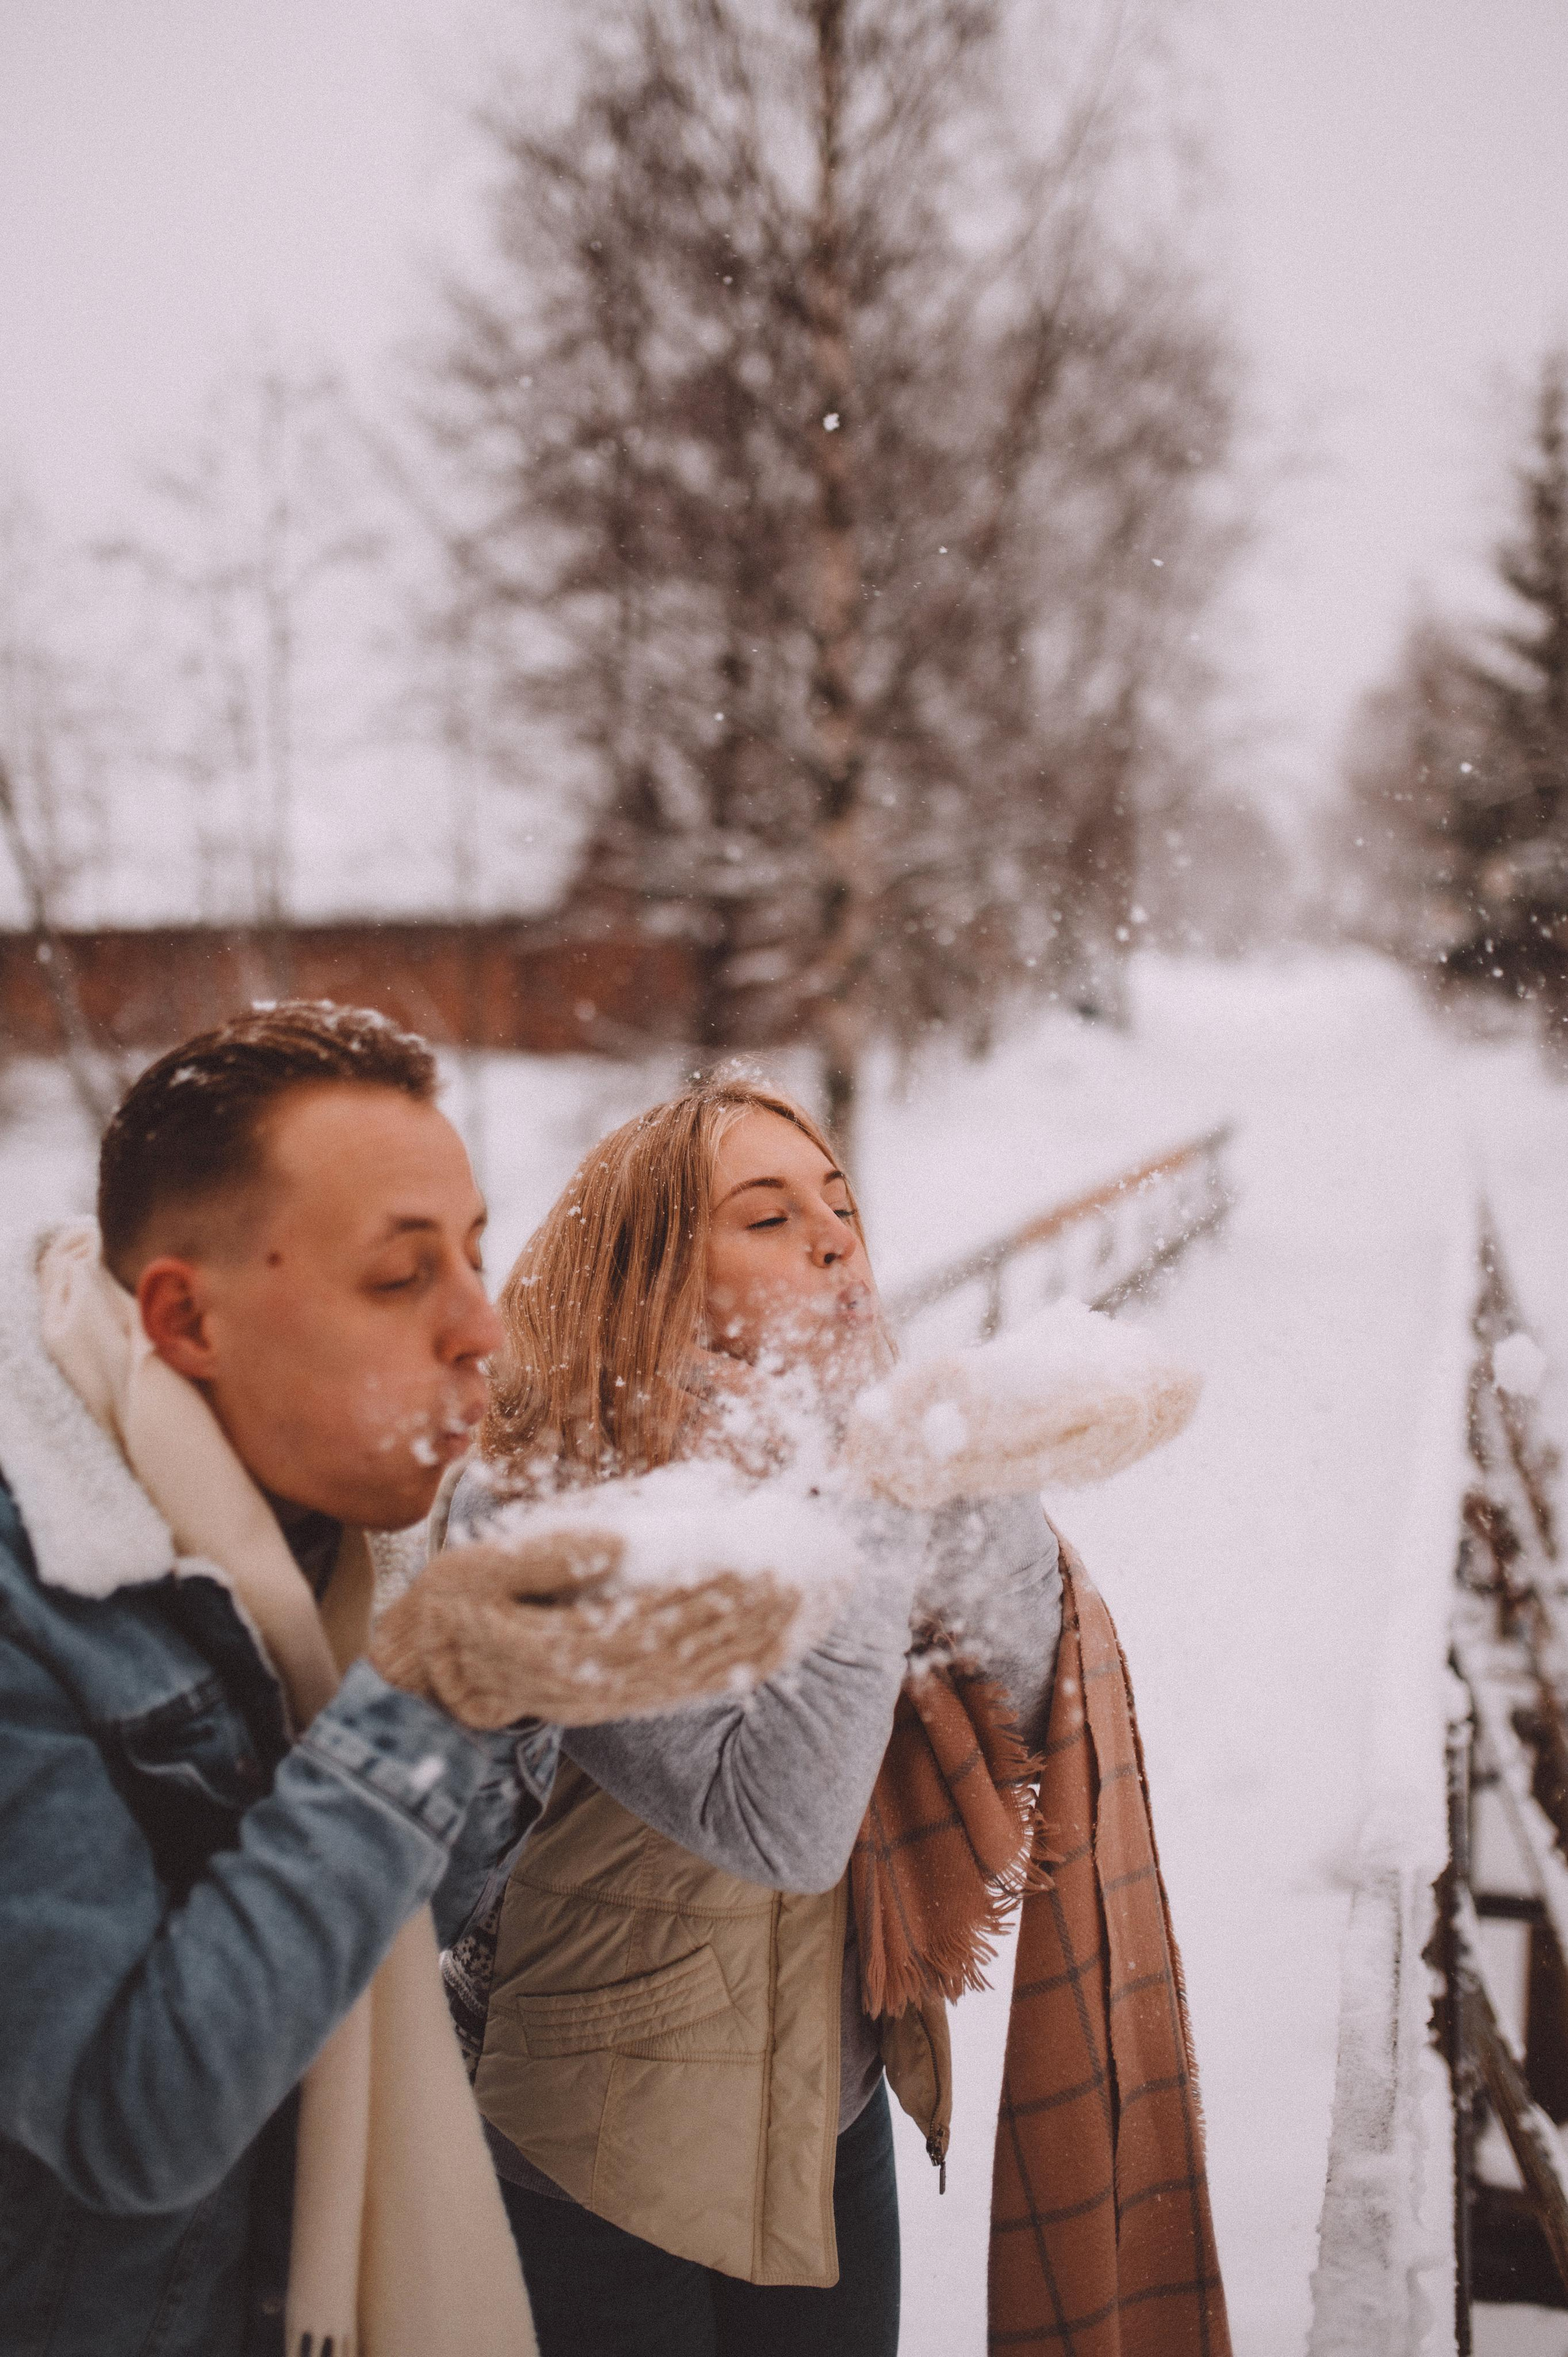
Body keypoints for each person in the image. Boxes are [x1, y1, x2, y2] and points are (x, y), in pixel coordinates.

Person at [0, 1005, 818, 2357]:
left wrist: (510, 1692)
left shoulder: (329, 1531)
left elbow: (402, 1920)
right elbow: (132, 2121)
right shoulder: (44, 1595)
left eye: (475, 1256)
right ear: (183, 1316)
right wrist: (426, 1701)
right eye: (397, 1280)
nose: (479, 1329)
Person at [445, 1076, 1193, 2357]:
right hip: (599, 2137)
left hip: (827, 2097)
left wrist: (971, 1460)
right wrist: (890, 1489)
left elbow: (1027, 1696)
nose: (834, 1235)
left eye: (838, 1202)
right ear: (653, 1264)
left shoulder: (839, 1451)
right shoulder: (550, 1497)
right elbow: (775, 1816)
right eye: (767, 1214)